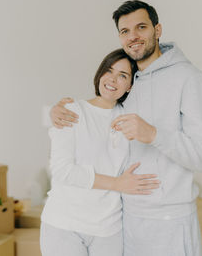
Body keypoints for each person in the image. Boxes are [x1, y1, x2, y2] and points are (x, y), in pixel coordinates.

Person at [49, 0, 202, 256]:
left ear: (158, 29)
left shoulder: (188, 78)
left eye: (141, 27)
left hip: (170, 222)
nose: (133, 37)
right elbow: (94, 115)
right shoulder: (127, 82)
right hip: (125, 220)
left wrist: (154, 135)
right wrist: (56, 112)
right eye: (125, 31)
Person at [40, 49, 160, 256]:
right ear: (100, 73)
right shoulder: (72, 111)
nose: (113, 79)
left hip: (109, 229)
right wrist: (116, 183)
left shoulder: (130, 119)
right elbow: (62, 171)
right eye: (109, 71)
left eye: (123, 75)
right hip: (64, 225)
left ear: (130, 85)